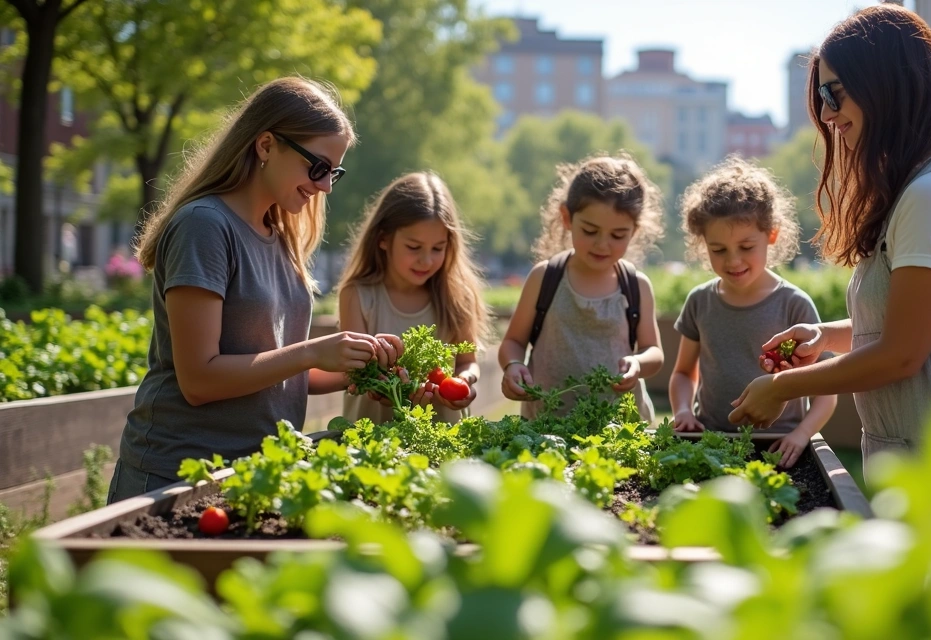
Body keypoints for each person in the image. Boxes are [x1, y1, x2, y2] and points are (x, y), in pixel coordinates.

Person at [727, 5, 931, 496]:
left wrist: (782, 389)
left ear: (884, 82)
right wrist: (826, 336)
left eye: (833, 92)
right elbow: (918, 324)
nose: (826, 113)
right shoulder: (921, 188)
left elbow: (903, 354)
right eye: (821, 96)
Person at [109, 77, 399, 503]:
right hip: (176, 479)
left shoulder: (280, 234)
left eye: (333, 172)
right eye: (317, 167)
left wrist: (356, 371)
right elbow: (200, 379)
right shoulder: (203, 226)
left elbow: (276, 370)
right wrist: (313, 351)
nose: (325, 187)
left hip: (254, 474)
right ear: (266, 145)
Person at [668, 157, 837, 468]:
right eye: (718, 250)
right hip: (711, 441)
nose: (733, 261)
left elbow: (826, 393)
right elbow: (682, 373)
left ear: (771, 235)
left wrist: (801, 435)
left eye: (746, 247)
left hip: (778, 447)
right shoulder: (699, 302)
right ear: (703, 243)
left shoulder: (794, 305)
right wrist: (683, 412)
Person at [498, 154, 665, 422]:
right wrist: (514, 365)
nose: (602, 244)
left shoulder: (636, 286)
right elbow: (513, 342)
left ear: (634, 230)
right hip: (547, 426)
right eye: (590, 231)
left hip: (620, 429)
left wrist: (637, 363)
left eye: (617, 235)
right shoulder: (544, 278)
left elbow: (654, 353)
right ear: (567, 217)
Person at [337, 172, 489, 424]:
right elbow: (357, 372)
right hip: (373, 440)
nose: (426, 260)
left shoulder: (458, 296)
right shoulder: (357, 295)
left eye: (438, 248)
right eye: (414, 247)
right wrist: (386, 389)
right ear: (383, 239)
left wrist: (464, 381)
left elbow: (468, 362)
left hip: (442, 438)